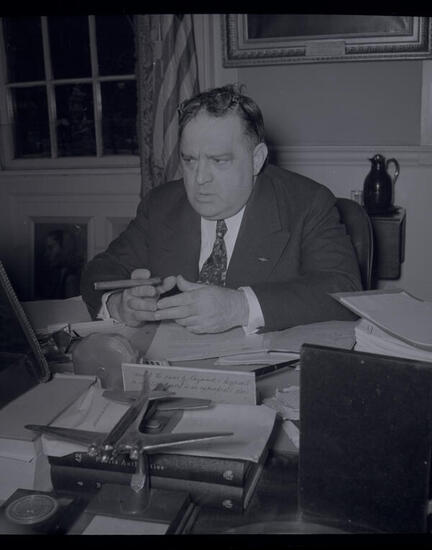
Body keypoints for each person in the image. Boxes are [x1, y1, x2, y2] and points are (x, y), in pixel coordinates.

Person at [80, 84, 362, 334]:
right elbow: (101, 271)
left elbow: (343, 290)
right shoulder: (161, 204)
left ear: (256, 159)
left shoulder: (307, 203)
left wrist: (240, 307)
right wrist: (117, 303)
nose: (200, 178)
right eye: (190, 160)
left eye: (219, 161)